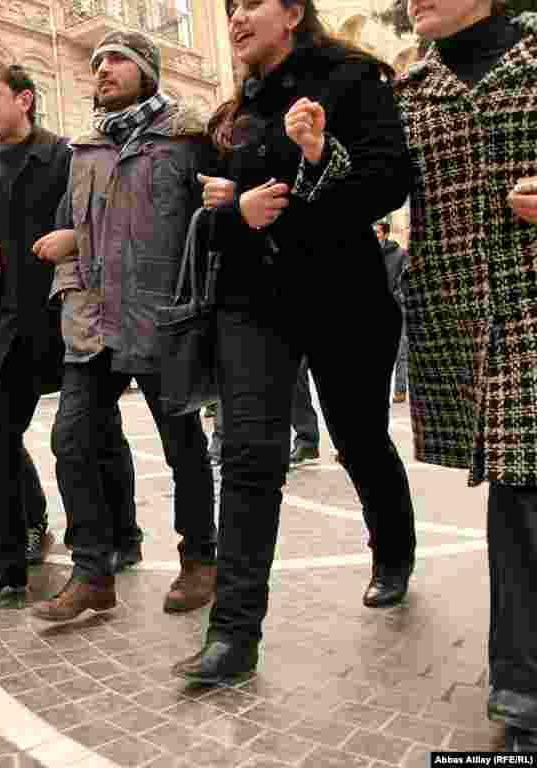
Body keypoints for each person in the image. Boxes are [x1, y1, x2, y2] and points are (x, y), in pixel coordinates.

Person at [171, 0, 417, 684]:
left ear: (292, 12)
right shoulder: (235, 108)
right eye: (229, 10)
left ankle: (392, 551)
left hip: (344, 297)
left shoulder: (351, 77)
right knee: (249, 457)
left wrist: (317, 159)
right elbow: (213, 220)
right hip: (255, 302)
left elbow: (388, 182)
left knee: (360, 440)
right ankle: (234, 637)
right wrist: (234, 212)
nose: (236, 19)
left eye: (250, 4)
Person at [28, 32, 219, 621]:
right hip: (92, 322)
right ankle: (92, 571)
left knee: (182, 444)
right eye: (98, 62)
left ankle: (200, 559)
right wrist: (68, 288)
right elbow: (70, 229)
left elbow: (206, 230)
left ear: (147, 70)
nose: (103, 70)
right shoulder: (85, 147)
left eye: (117, 60)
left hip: (161, 318)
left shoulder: (186, 138)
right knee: (72, 439)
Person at [393, 1, 537, 749]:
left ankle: (522, 697)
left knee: (522, 492)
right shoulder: (410, 91)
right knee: (520, 489)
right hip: (464, 317)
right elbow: (373, 191)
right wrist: (319, 153)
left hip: (532, 304)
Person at [0, 63, 85, 605]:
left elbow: (103, 224)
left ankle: (111, 542)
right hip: (11, 328)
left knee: (86, 441)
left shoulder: (66, 158)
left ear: (25, 100)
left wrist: (74, 238)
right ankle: (6, 561)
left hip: (70, 319)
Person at [375, 221, 408, 404]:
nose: (375, 235)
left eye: (378, 232)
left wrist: (397, 295)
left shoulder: (400, 254)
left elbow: (405, 279)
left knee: (401, 351)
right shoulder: (369, 252)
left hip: (396, 307)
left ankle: (400, 390)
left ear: (385, 234)